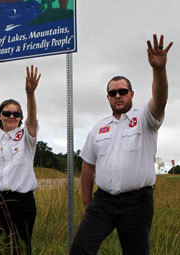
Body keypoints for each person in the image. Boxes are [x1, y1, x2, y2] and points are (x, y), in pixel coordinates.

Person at [70, 34, 173, 255]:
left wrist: (159, 70)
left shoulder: (145, 119)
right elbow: (88, 166)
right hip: (103, 201)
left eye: (123, 92)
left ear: (131, 94)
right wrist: (87, 204)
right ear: (107, 97)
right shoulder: (98, 128)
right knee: (80, 249)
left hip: (136, 202)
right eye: (113, 93)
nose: (118, 95)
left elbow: (161, 99)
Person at [0, 65, 41, 255]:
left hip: (22, 202)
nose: (11, 117)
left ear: (20, 118)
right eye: (7, 113)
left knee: (21, 248)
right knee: (0, 248)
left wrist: (30, 93)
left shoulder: (27, 136)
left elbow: (33, 118)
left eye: (16, 114)